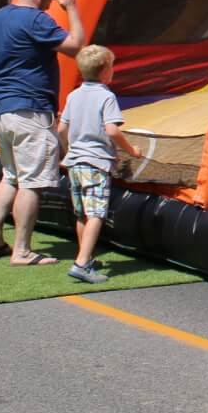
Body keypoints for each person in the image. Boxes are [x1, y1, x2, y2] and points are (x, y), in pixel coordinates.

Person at [0, 0, 92, 266]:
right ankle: (22, 250)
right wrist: (72, 9)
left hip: (0, 109)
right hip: (30, 110)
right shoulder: (37, 19)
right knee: (32, 182)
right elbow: (76, 48)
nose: (52, 0)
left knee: (11, 175)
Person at [56, 44, 142, 285]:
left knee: (82, 213)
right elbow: (112, 130)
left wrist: (68, 149)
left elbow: (62, 128)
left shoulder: (74, 95)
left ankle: (86, 256)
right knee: (96, 214)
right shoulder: (106, 96)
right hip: (96, 163)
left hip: (75, 162)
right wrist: (131, 149)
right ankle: (82, 263)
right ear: (105, 70)